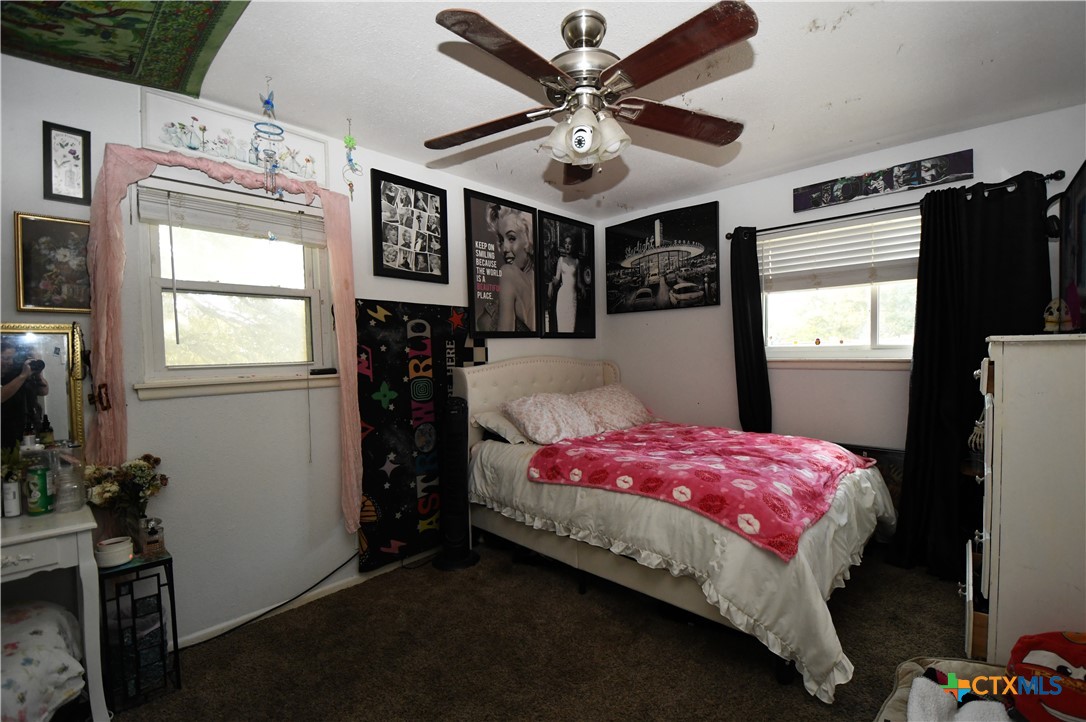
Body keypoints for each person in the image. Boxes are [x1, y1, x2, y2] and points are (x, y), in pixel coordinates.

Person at [487, 203, 535, 332]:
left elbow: (503, 338)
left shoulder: (508, 273)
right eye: (501, 240)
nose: (504, 248)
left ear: (529, 240)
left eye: (512, 238)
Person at [1, 340, 49, 449]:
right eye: (5, 358)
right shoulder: (20, 376)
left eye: (12, 359)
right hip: (6, 431)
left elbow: (44, 391)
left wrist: (37, 374)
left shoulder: (18, 373)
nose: (10, 363)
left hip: (30, 426)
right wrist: (22, 376)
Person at [548, 234, 582, 333]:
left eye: (569, 243)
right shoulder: (561, 260)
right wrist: (550, 284)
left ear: (573, 246)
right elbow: (557, 279)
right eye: (566, 243)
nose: (567, 245)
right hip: (562, 297)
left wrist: (583, 288)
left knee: (571, 328)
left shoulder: (577, 262)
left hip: (572, 298)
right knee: (562, 328)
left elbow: (579, 282)